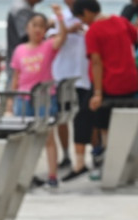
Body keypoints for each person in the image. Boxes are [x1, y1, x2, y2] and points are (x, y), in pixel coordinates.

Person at [73, 0, 138, 180]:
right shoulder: (120, 21)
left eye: (82, 18)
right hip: (130, 80)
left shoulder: (94, 30)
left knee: (93, 119)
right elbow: (136, 38)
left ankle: (107, 162)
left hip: (110, 83)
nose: (84, 22)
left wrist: (97, 93)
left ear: (87, 12)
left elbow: (96, 62)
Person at [9, 6, 67, 188]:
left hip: (44, 98)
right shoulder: (19, 50)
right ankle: (26, 176)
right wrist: (10, 102)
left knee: (47, 137)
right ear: (27, 28)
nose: (37, 29)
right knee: (25, 138)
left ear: (45, 30)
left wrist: (59, 17)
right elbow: (16, 77)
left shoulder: (48, 46)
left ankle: (52, 176)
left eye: (41, 26)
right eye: (34, 25)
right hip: (23, 98)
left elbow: (62, 37)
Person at [50, 0, 96, 181]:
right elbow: (53, 41)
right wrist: (68, 29)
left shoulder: (90, 15)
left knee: (87, 117)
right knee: (63, 118)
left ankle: (93, 155)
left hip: (85, 75)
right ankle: (67, 155)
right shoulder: (58, 19)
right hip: (63, 75)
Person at [6, 0, 44, 87]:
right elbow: (26, 37)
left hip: (19, 64)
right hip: (21, 65)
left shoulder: (20, 7)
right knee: (16, 95)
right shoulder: (21, 9)